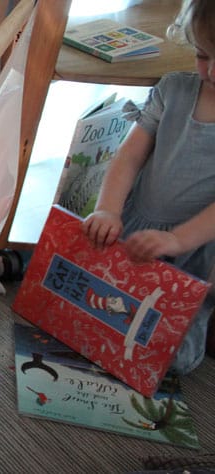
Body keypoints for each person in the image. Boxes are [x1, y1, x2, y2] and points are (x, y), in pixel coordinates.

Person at [82, 0, 215, 375]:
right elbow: (129, 156)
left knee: (176, 360)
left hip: (195, 248)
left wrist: (178, 240)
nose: (213, 71)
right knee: (80, 295)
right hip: (135, 222)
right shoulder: (174, 88)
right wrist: (107, 208)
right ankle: (17, 261)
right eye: (203, 55)